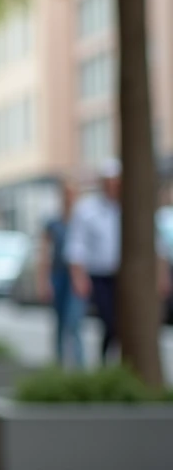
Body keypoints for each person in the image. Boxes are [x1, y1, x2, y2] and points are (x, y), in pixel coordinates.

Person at [64, 158, 171, 364]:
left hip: (129, 275)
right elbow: (76, 247)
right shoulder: (87, 210)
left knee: (129, 321)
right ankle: (108, 361)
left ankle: (118, 363)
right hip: (101, 276)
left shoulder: (136, 209)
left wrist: (162, 276)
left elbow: (157, 245)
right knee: (110, 321)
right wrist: (78, 277)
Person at [36, 179, 83, 369]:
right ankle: (59, 365)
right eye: (66, 194)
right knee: (59, 322)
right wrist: (43, 280)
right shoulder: (53, 223)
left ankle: (79, 367)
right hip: (59, 275)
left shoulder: (81, 221)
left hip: (75, 277)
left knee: (74, 322)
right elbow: (44, 253)